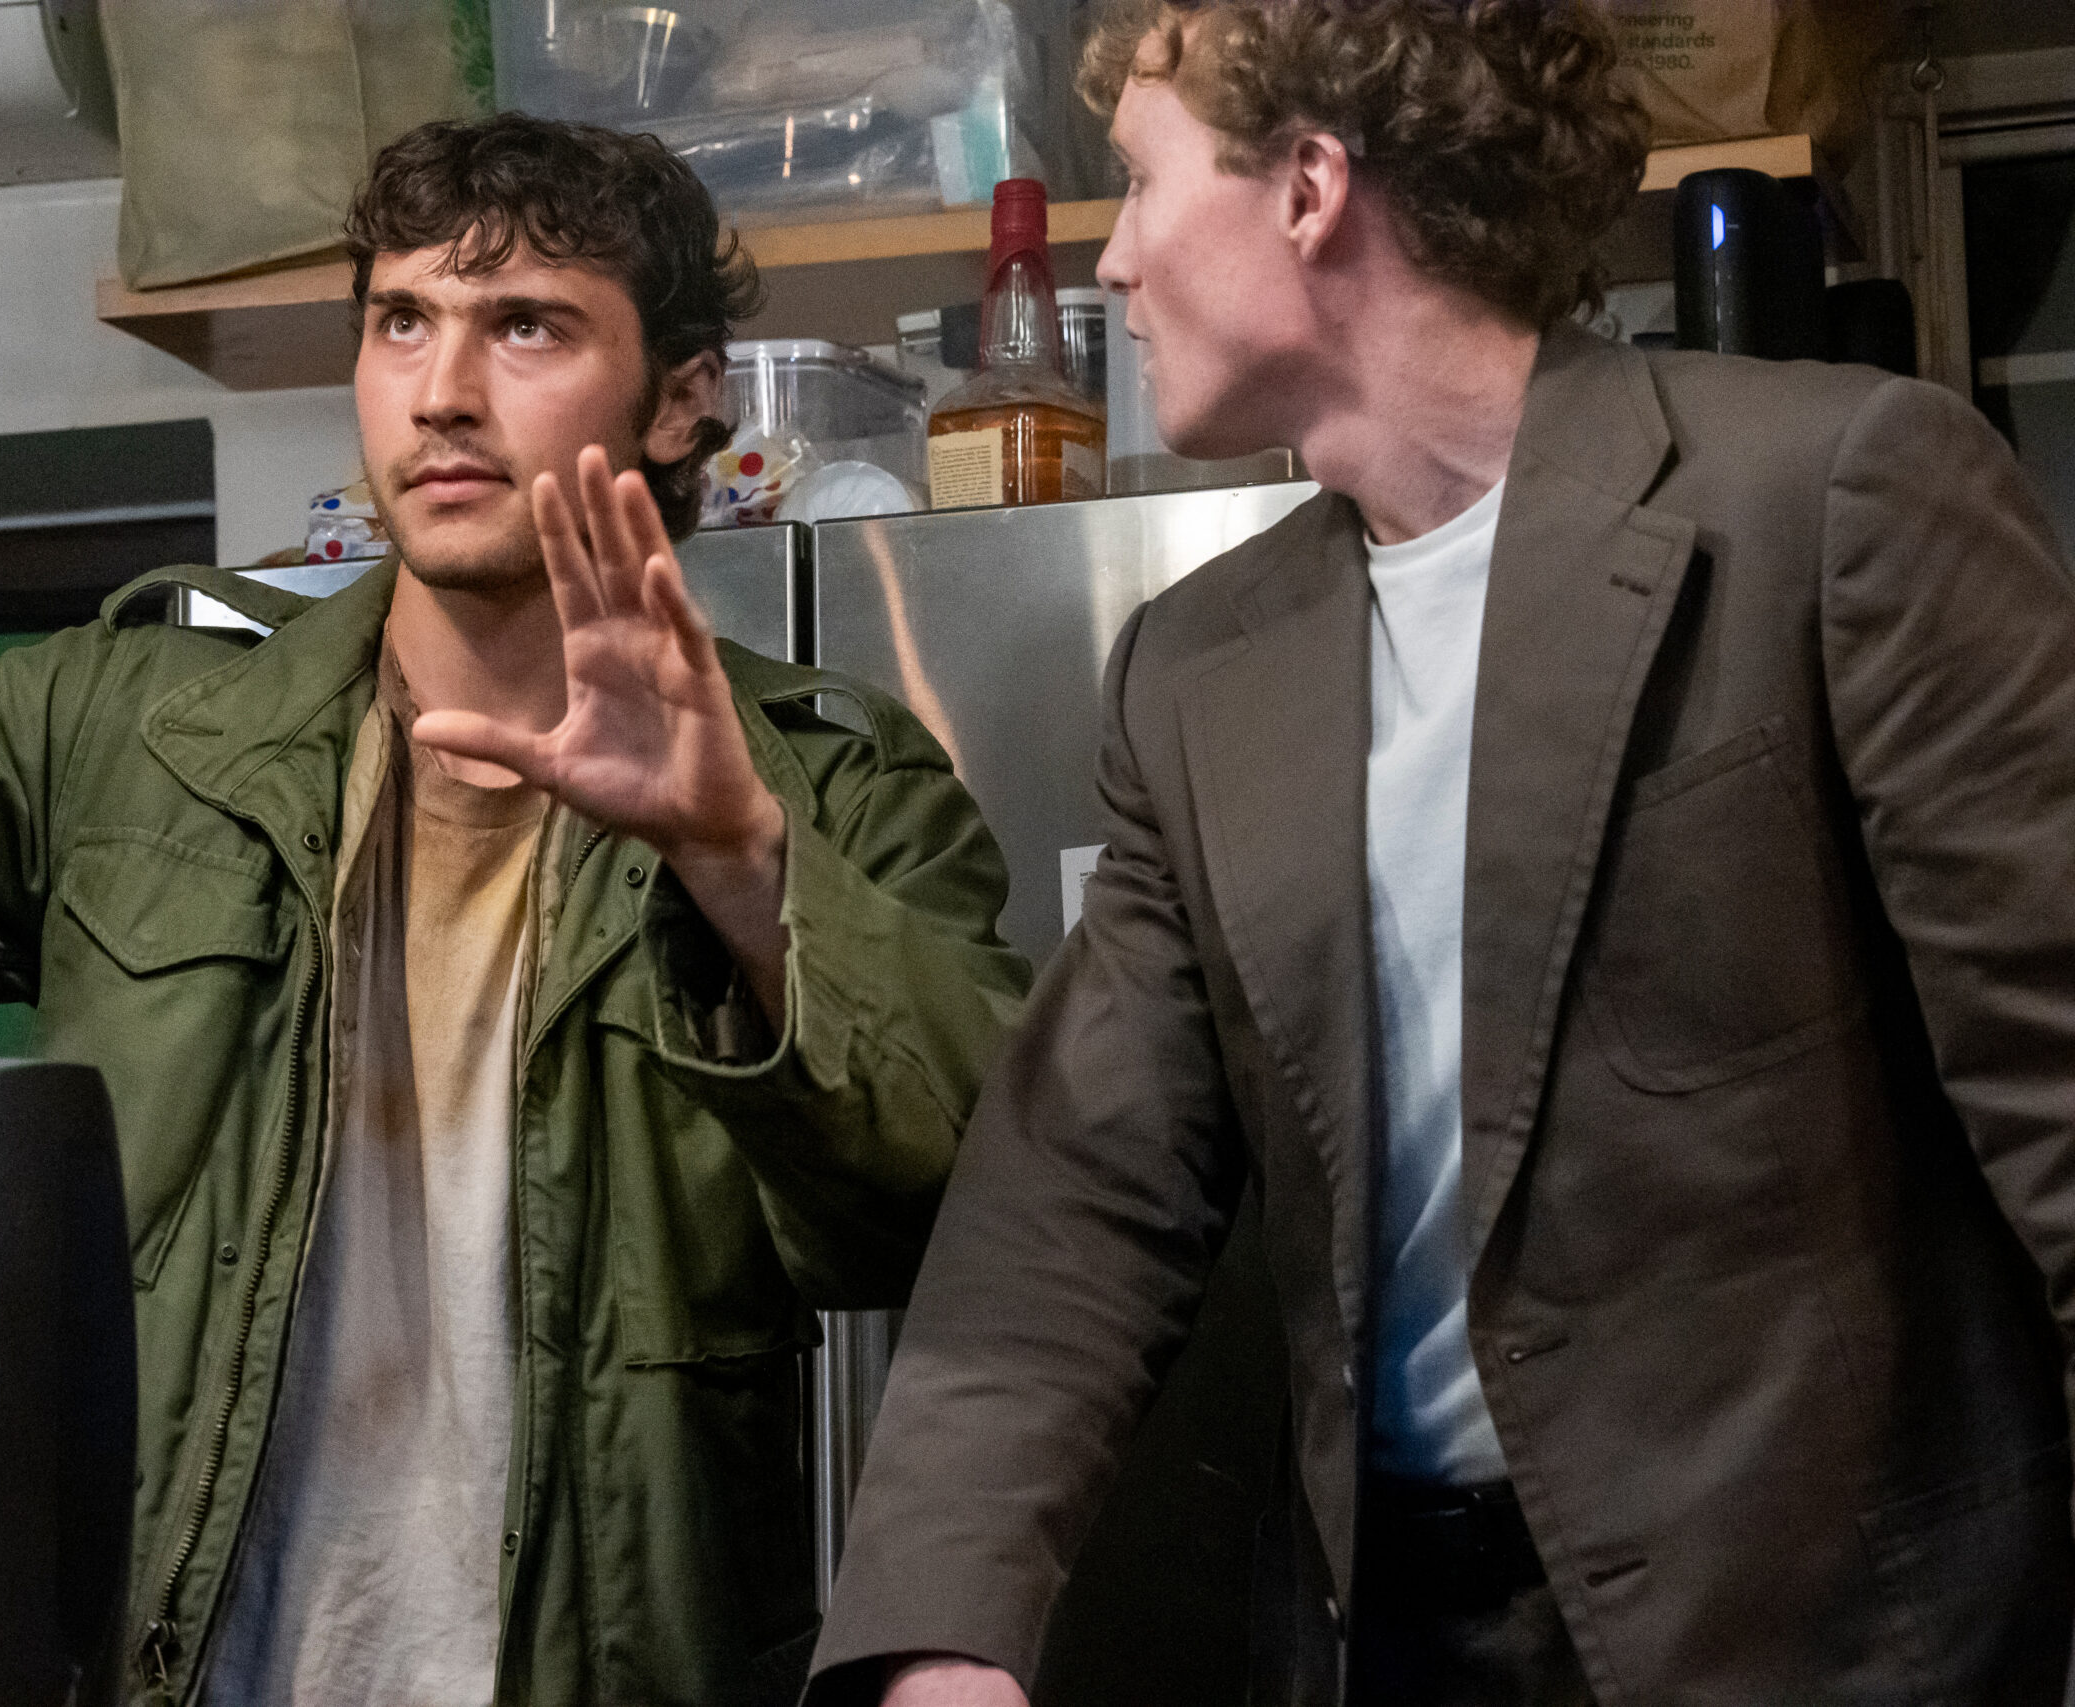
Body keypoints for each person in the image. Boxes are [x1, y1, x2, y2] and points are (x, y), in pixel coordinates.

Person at [0, 116, 1028, 1707]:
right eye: (401, 322)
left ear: (679, 397)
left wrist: (738, 860)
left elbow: (970, 1217)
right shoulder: (142, 730)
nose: (442, 392)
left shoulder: (831, 787)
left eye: (526, 326)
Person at [806, 3, 2075, 1704]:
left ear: (1308, 188)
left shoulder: (1834, 495)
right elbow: (1076, 1198)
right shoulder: (1192, 671)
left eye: (1142, 184)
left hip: (1832, 1650)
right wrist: (941, 1642)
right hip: (1393, 1649)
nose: (1112, 265)